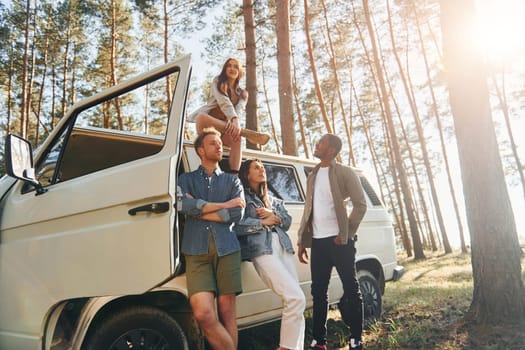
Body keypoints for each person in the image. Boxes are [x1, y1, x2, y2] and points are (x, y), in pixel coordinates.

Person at [297, 134, 367, 350]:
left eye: (321, 143)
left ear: (332, 149)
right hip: (318, 242)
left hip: (340, 242)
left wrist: (345, 233)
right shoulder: (312, 175)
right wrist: (302, 240)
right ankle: (319, 341)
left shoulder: (345, 172)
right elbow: (309, 210)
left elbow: (360, 204)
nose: (316, 145)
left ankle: (356, 338)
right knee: (318, 292)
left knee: (351, 288)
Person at [177, 127, 245, 350]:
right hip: (196, 252)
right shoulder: (185, 179)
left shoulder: (231, 181)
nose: (219, 146)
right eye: (213, 143)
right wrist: (224, 205)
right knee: (203, 313)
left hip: (228, 250)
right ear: (200, 150)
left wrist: (198, 208)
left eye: (220, 143)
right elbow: (181, 205)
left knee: (227, 314)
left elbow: (237, 214)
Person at [235, 159, 306, 350]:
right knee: (295, 298)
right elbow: (236, 226)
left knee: (297, 300)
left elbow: (287, 221)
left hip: (283, 247)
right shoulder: (242, 197)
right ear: (247, 174)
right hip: (262, 250)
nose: (262, 170)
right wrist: (263, 223)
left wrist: (271, 213)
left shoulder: (272, 199)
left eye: (263, 167)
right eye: (256, 167)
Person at [188, 57, 269, 173]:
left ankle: (234, 174)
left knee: (237, 136)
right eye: (229, 66)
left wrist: (235, 121)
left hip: (227, 131)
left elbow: (239, 109)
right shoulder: (217, 82)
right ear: (225, 69)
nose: (232, 68)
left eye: (236, 67)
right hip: (209, 128)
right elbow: (223, 101)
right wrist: (234, 120)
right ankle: (241, 131)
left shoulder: (243, 93)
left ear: (240, 72)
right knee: (201, 117)